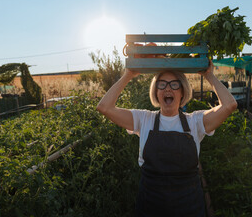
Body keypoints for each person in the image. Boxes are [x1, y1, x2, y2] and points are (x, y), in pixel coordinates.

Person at [96, 61, 237, 217]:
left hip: (189, 207)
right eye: (162, 84)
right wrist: (129, 74)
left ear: (183, 91)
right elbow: (104, 107)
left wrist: (208, 74)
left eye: (174, 84)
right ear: (156, 92)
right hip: (150, 206)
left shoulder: (195, 122)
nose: (168, 88)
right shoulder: (143, 119)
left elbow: (229, 105)